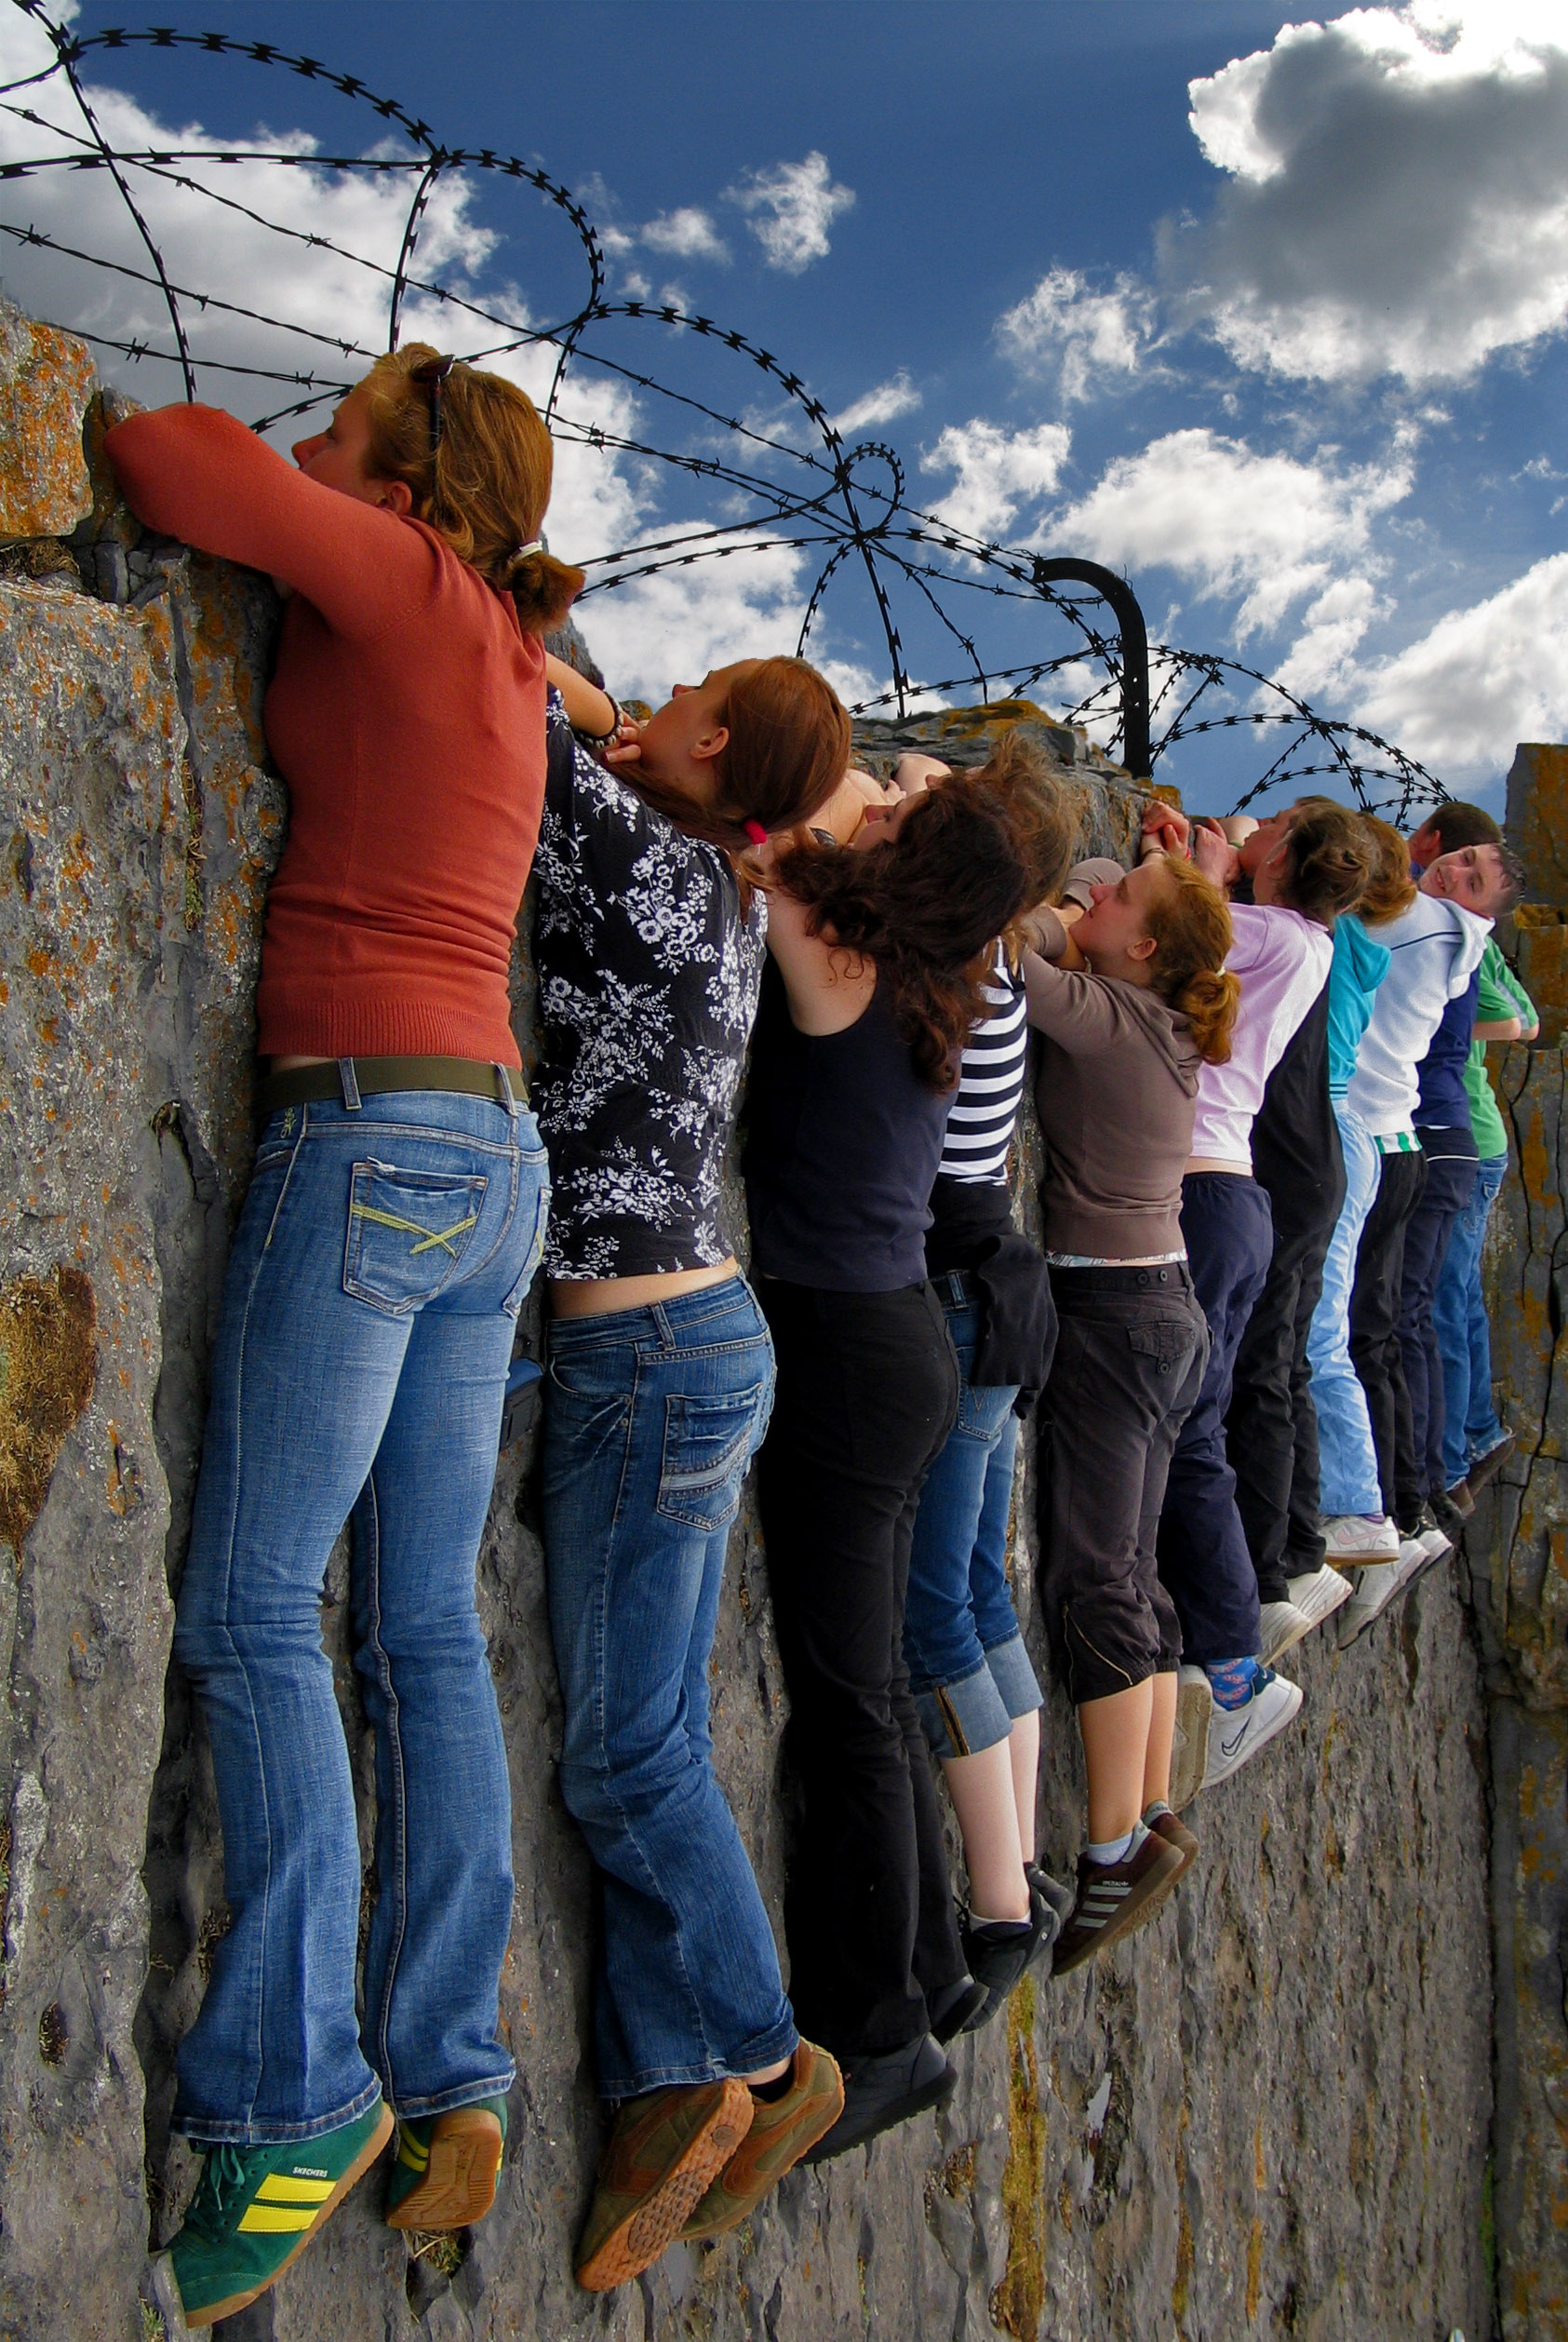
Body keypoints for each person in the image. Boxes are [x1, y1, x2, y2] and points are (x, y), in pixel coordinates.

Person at [106, 347, 580, 2325]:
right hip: (487, 1149)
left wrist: (298, 485)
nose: (311, 437)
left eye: (344, 423)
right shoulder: (513, 654)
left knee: (250, 1607)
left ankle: (297, 2090)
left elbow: (163, 456)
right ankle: (448, 2056)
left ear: (413, 475)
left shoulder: (405, 573)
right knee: (421, 1626)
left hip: (372, 1130)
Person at [532, 655, 853, 2290]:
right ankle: (675, 2079)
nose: (651, 688)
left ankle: (763, 2055)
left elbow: (498, 692)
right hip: (693, 1336)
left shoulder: (648, 857)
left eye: (688, 690)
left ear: (715, 740)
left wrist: (592, 708)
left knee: (627, 1751)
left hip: (649, 1356)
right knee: (643, 1731)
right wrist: (634, 733)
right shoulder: (721, 886)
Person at [744, 743, 1071, 2160]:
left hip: (850, 1357)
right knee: (869, 1685)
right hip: (892, 1349)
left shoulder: (838, 948)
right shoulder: (941, 972)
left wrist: (839, 794)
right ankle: (930, 1969)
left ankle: (879, 2037)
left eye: (905, 808)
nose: (873, 799)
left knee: (850, 1702)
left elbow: (769, 818)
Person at [1024, 852, 1239, 1968]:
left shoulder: (1105, 1014)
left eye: (1119, 900)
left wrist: (1061, 910)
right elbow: (1102, 882)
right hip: (1163, 1307)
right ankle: (1148, 1810)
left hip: (1111, 1316)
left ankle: (1111, 1846)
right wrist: (1100, 887)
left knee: (1096, 1575)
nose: (1098, 894)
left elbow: (997, 946)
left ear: (1143, 946)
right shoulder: (1164, 1018)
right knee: (1137, 1568)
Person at [892, 753, 1077, 2022]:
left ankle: (1002, 1902)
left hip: (958, 1294)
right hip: (1002, 1288)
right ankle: (1021, 1861)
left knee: (936, 1611)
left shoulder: (956, 959)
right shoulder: (1008, 958)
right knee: (974, 1588)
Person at [1144, 804, 1365, 1799]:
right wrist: (1209, 867)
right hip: (1237, 1194)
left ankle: (1233, 1671)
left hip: (1204, 1192)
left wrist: (1193, 869)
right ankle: (1221, 1654)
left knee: (1188, 1431)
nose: (1254, 826)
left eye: (1270, 825)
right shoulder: (1308, 941)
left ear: (1278, 857)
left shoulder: (1265, 932)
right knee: (1201, 1423)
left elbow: (1167, 934)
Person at [1330, 838, 1523, 1631]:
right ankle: (1418, 1496)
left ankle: (1400, 1506)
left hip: (1418, 1137)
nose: (1453, 870)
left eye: (1471, 877)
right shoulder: (1460, 941)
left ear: (1478, 907)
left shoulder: (1431, 925)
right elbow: (1520, 1018)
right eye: (1463, 857)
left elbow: (1344, 915)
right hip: (1432, 1141)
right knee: (1406, 1323)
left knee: (1382, 1328)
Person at [1306, 817, 1412, 1582]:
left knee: (1319, 1326)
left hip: (1335, 1131)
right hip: (1353, 1134)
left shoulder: (1333, 937)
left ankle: (1356, 1505)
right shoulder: (1355, 943)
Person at [1430, 935, 1536, 1518]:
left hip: (1461, 1134)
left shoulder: (1457, 943)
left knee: (1442, 1302)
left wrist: (1443, 1021)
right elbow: (1528, 1021)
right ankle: (1479, 1430)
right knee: (1462, 1295)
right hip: (1482, 1138)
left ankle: (1450, 1465)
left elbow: (1520, 1024)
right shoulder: (1483, 944)